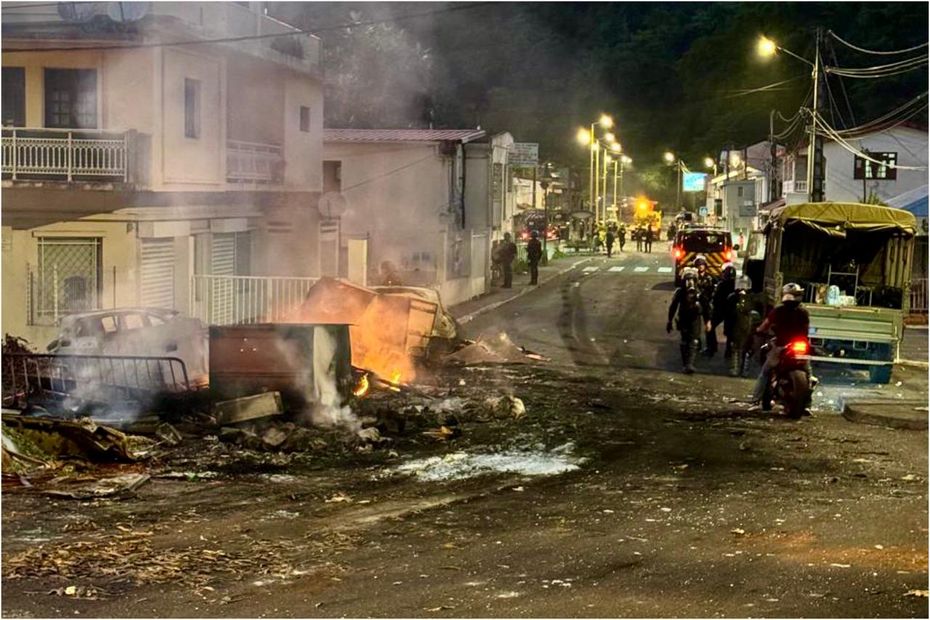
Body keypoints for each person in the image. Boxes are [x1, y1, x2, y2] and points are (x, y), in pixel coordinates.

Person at [750, 282, 811, 410]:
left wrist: (758, 330)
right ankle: (807, 404)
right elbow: (806, 329)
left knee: (765, 371)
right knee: (808, 372)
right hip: (800, 346)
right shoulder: (804, 311)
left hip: (781, 345)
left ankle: (755, 399)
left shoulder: (778, 310)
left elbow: (765, 325)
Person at [667, 267, 709, 374]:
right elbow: (673, 306)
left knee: (693, 341)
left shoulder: (699, 292)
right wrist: (669, 320)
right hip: (684, 318)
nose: (689, 283)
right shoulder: (680, 292)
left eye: (692, 280)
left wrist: (707, 321)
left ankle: (689, 364)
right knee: (685, 341)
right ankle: (685, 363)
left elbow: (706, 307)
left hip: (695, 319)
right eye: (687, 280)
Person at [726, 276, 762, 377]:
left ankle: (744, 370)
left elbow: (757, 312)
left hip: (747, 327)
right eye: (740, 285)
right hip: (735, 327)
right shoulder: (732, 297)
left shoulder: (753, 298)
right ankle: (734, 368)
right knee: (735, 348)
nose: (742, 287)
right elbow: (728, 314)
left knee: (747, 350)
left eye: (744, 285)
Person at [707, 262, 737, 358]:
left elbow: (716, 298)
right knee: (730, 332)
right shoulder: (737, 285)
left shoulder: (722, 284)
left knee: (710, 326)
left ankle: (712, 347)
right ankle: (728, 351)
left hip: (721, 310)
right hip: (731, 312)